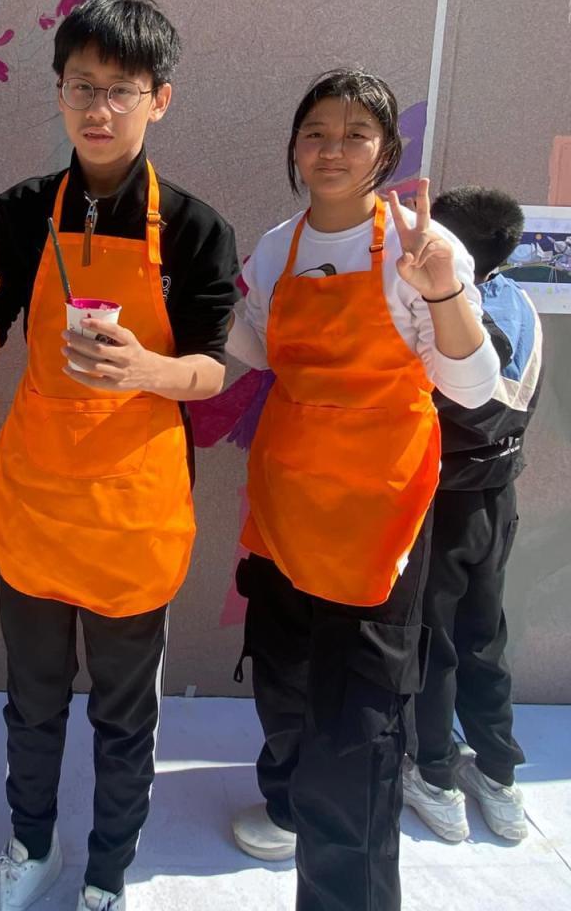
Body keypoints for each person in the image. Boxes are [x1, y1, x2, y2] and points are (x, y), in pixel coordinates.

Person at [0, 0, 238, 911]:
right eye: (81, 86)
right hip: (37, 500)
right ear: (59, 91)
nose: (99, 108)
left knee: (124, 713)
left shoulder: (196, 229)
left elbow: (213, 372)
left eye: (121, 89)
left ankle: (107, 873)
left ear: (159, 98)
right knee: (31, 698)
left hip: (134, 512)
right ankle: (31, 848)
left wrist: (147, 368)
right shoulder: (25, 211)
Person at [225, 69, 500, 911]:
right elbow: (257, 350)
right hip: (284, 510)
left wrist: (442, 288)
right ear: (293, 147)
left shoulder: (423, 248)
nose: (332, 149)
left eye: (355, 134)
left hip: (376, 522)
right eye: (315, 132)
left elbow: (473, 386)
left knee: (356, 738)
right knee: (284, 689)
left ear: (386, 152)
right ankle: (288, 804)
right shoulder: (278, 246)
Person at [402, 187, 542, 843]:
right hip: (498, 497)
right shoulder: (519, 300)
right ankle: (497, 773)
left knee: (434, 639)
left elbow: (468, 386)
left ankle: (434, 777)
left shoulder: (463, 317)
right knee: (483, 635)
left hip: (448, 500)